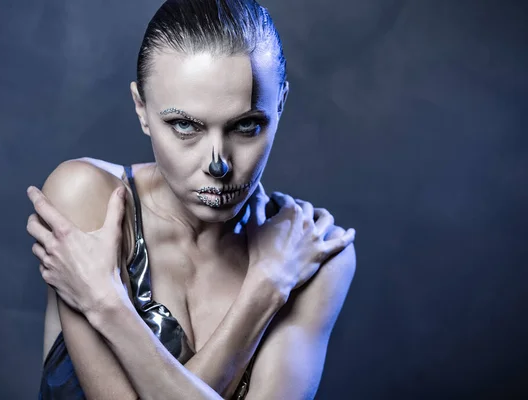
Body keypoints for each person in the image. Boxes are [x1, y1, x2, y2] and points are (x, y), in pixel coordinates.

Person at [26, 0, 357, 399]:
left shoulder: (316, 254)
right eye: (184, 125)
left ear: (281, 104)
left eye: (246, 125)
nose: (217, 164)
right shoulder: (84, 196)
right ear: (141, 109)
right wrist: (266, 289)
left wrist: (104, 304)